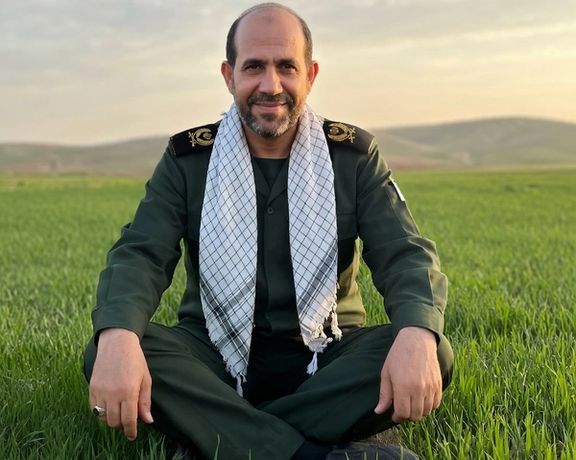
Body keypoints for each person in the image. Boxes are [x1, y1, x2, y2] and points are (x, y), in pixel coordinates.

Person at [83, 3, 453, 459]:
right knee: (112, 347)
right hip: (214, 353)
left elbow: (404, 254)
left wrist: (416, 333)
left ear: (310, 75)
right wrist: (118, 336)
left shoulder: (353, 157)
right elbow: (141, 253)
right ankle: (313, 453)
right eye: (254, 66)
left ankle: (221, 432)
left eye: (286, 67)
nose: (271, 85)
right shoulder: (188, 160)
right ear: (229, 75)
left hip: (326, 353)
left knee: (430, 348)